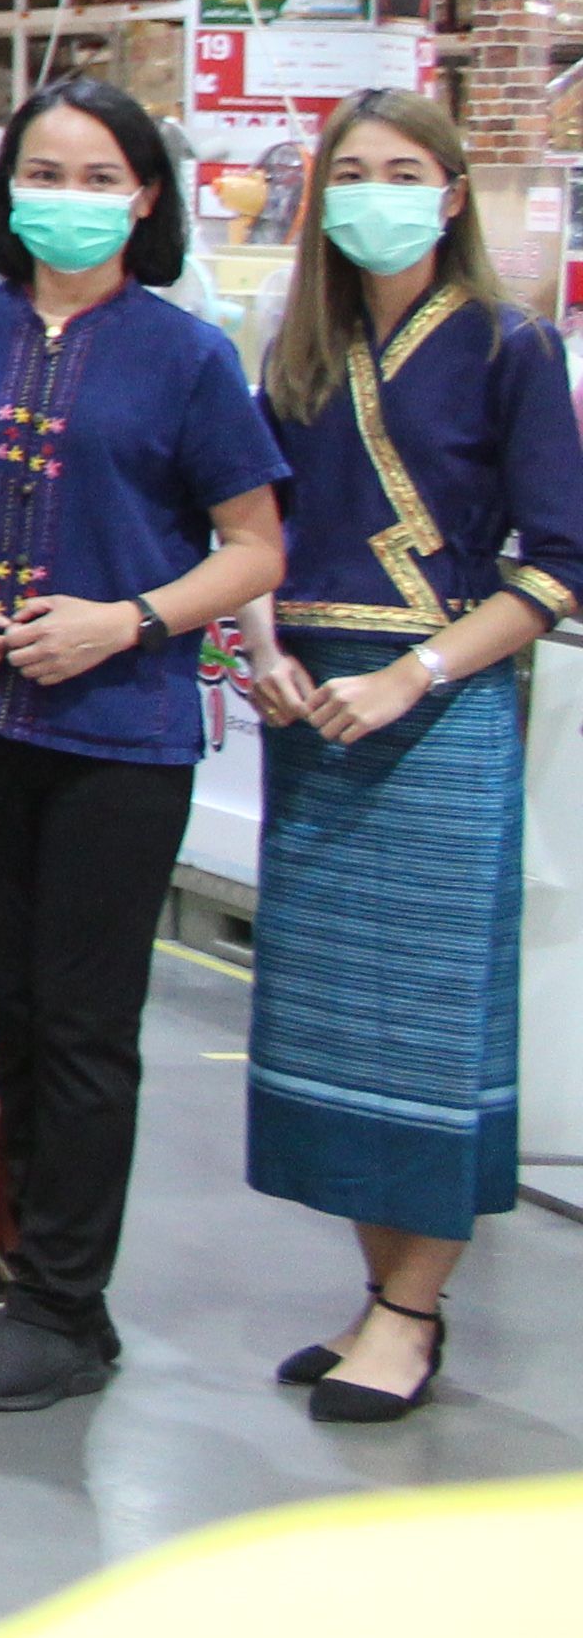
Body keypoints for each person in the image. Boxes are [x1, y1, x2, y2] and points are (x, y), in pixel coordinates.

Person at [0, 74, 288, 1414]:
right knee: (13, 1006)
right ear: (7, 196)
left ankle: (67, 1297)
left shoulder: (187, 358)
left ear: (146, 196)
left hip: (121, 733)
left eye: (96, 175)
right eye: (40, 175)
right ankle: (17, 1264)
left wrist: (125, 622)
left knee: (88, 1021)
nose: (66, 200)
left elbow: (252, 548)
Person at [232, 90, 582, 1424]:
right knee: (340, 1027)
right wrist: (255, 644)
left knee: (430, 1029)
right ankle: (381, 1294)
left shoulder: (510, 347)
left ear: (449, 194)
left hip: (435, 715)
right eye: (352, 172)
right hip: (312, 719)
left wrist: (412, 674)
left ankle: (411, 1311)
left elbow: (559, 564)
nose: (376, 193)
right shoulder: (302, 353)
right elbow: (254, 519)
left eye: (403, 170)